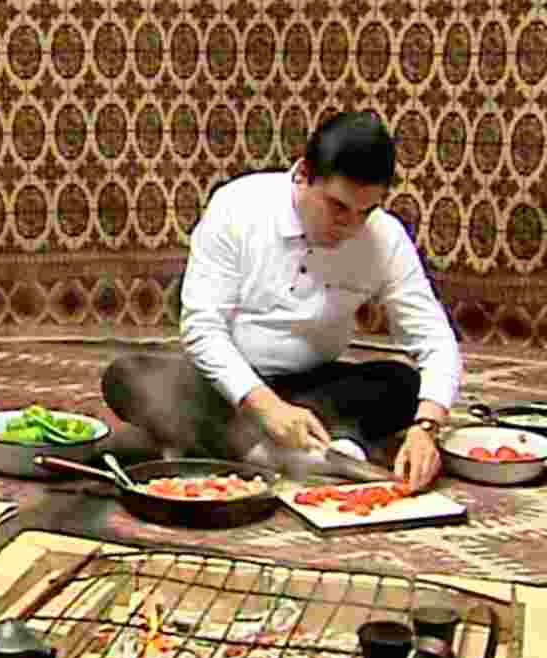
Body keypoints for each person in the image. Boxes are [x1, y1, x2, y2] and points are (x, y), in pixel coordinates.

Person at [101, 111, 461, 490]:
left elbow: (435, 339)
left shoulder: (384, 236)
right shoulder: (238, 206)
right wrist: (265, 406)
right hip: (228, 388)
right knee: (128, 376)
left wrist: (426, 428)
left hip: (315, 389)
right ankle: (295, 449)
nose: (351, 225)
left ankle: (260, 449)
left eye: (366, 211)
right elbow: (202, 329)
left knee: (403, 383)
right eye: (338, 207)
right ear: (303, 174)